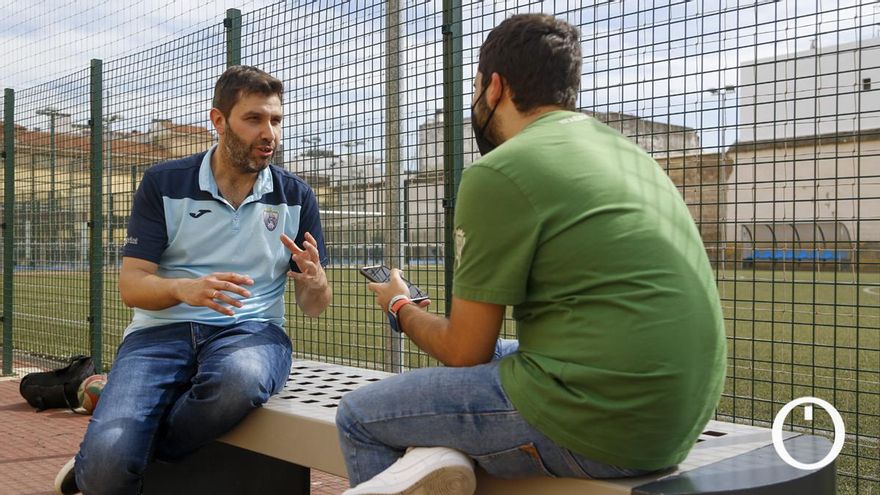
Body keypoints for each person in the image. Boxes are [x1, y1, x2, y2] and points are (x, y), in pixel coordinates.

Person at [335, 13, 726, 495]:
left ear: (494, 86)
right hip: (681, 414)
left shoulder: (499, 171)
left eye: (476, 88)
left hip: (604, 426)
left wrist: (400, 306)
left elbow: (463, 350)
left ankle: (433, 457)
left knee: (359, 415)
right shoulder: (629, 154)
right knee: (494, 359)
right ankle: (437, 458)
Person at [54, 65, 332, 495]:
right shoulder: (164, 183)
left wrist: (314, 282)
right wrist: (188, 289)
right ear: (218, 121)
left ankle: (128, 450)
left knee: (240, 379)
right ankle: (106, 458)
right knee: (107, 474)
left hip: (251, 332)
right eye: (254, 119)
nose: (270, 133)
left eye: (276, 120)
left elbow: (313, 306)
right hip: (158, 334)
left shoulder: (296, 195)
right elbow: (132, 286)